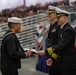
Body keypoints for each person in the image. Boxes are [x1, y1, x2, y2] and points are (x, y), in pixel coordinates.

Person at [37, 8, 76, 75]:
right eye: (57, 17)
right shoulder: (62, 28)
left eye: (59, 17)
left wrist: (45, 51)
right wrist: (52, 58)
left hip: (68, 64)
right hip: (62, 63)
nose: (57, 19)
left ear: (65, 17)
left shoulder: (68, 30)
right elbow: (59, 47)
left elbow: (61, 46)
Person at [46, 6, 60, 75]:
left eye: (51, 13)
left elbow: (58, 43)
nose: (49, 15)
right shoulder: (52, 25)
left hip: (55, 56)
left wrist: (53, 57)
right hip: (50, 54)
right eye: (48, 13)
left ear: (55, 14)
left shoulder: (58, 25)